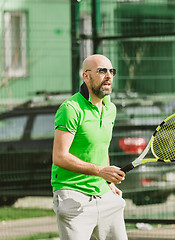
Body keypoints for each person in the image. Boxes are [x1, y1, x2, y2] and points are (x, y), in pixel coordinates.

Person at [51, 54, 128, 240]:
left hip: (104, 195)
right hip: (73, 195)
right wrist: (101, 171)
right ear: (86, 76)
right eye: (102, 71)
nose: (108, 76)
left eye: (111, 71)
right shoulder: (70, 108)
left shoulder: (111, 109)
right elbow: (60, 156)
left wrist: (108, 182)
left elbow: (101, 148)